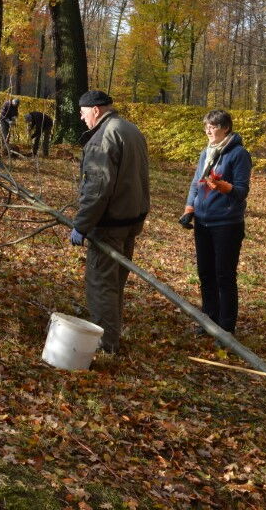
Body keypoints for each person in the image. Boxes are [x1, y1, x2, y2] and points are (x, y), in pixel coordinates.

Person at [68, 90, 150, 355]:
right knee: (115, 285)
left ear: (95, 110)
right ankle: (110, 339)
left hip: (110, 225)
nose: (82, 120)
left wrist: (81, 225)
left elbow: (96, 189)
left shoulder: (103, 139)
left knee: (101, 286)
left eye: (83, 114)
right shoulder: (130, 129)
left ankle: (104, 347)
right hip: (130, 220)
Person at [181, 109, 251, 335]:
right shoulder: (206, 153)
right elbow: (195, 183)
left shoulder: (239, 154)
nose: (208, 130)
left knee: (224, 275)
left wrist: (224, 187)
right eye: (206, 126)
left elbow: (242, 191)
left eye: (213, 126)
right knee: (205, 273)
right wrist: (189, 208)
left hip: (227, 224)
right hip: (203, 222)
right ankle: (208, 321)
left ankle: (226, 328)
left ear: (226, 128)